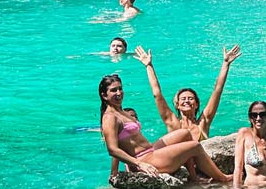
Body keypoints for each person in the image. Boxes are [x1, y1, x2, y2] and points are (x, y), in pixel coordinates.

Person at [98, 74, 232, 183]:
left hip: (150, 151)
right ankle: (223, 178)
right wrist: (139, 164)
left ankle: (193, 177)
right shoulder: (110, 118)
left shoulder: (121, 112)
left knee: (185, 133)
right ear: (104, 96)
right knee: (194, 146)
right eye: (114, 90)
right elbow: (113, 149)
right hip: (144, 159)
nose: (119, 93)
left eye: (120, 89)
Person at [134, 44, 241, 141]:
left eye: (190, 98)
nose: (187, 101)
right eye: (183, 99)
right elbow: (157, 94)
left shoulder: (203, 123)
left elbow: (217, 90)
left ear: (197, 104)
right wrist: (148, 66)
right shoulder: (173, 123)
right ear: (177, 105)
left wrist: (226, 64)